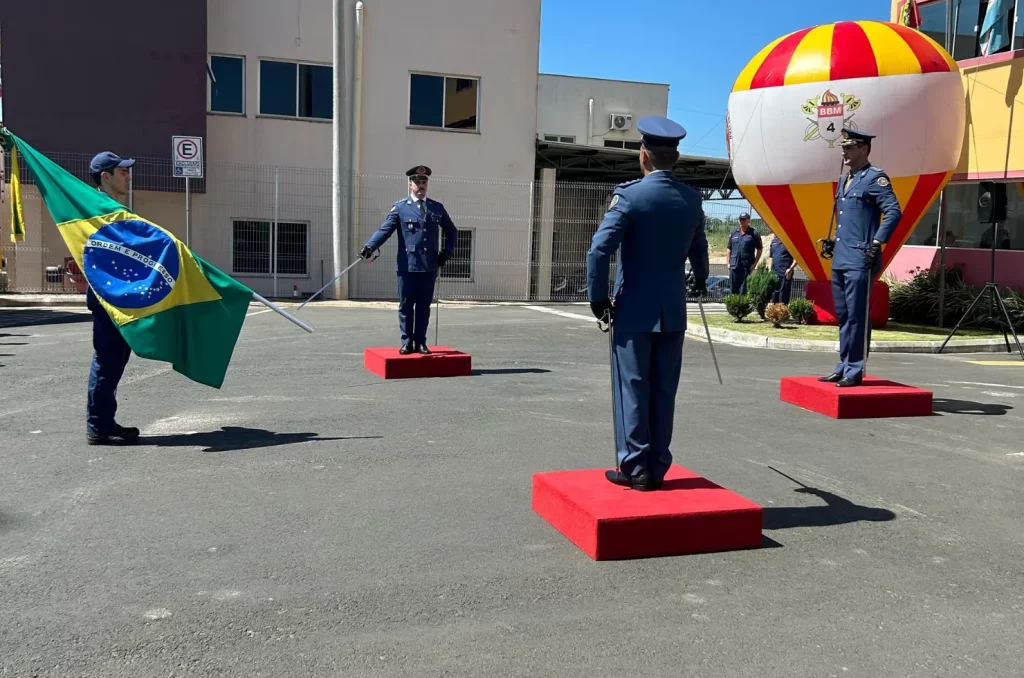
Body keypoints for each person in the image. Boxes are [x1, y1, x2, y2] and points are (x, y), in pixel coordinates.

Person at [586, 115, 709, 492]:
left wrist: (598, 299)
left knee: (633, 387)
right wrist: (700, 281)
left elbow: (598, 251)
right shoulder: (691, 200)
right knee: (663, 390)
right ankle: (657, 466)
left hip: (635, 310)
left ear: (644, 156)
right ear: (675, 157)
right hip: (673, 310)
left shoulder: (631, 196)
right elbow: (700, 251)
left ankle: (634, 467)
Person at [819, 129, 902, 387]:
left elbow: (893, 211)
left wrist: (877, 243)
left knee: (857, 315)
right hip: (843, 257)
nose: (844, 150)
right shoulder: (845, 179)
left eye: (850, 146)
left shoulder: (874, 178)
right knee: (843, 315)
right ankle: (844, 364)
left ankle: (855, 369)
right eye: (843, 146)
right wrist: (834, 241)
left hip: (861, 257)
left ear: (865, 149)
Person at [360, 165, 458, 354]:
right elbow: (385, 230)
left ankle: (420, 342)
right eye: (417, 182)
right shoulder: (401, 208)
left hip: (429, 266)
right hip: (407, 265)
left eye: (424, 182)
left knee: (423, 306)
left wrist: (447, 252)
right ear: (410, 184)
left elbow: (452, 231)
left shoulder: (436, 208)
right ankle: (407, 342)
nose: (421, 186)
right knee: (406, 305)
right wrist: (370, 246)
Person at [86, 151, 140, 445]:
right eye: (122, 172)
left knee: (115, 360)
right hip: (107, 297)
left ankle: (105, 422)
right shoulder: (97, 210)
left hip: (117, 297)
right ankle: (99, 426)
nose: (128, 176)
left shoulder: (109, 209)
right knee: (107, 361)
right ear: (105, 177)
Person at [727, 212, 762, 294]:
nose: (742, 221)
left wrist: (755, 264)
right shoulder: (734, 233)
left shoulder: (754, 234)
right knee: (733, 289)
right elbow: (729, 249)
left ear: (748, 221)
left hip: (746, 265)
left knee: (743, 289)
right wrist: (728, 263)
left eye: (744, 219)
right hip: (734, 264)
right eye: (740, 219)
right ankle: (733, 305)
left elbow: (759, 250)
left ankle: (742, 305)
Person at [769, 235, 798, 305]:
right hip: (774, 272)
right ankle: (773, 314)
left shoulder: (789, 241)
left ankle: (782, 314)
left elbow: (797, 257)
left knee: (783, 296)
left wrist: (790, 269)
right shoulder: (774, 241)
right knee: (774, 295)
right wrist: (770, 270)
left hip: (785, 273)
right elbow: (771, 257)